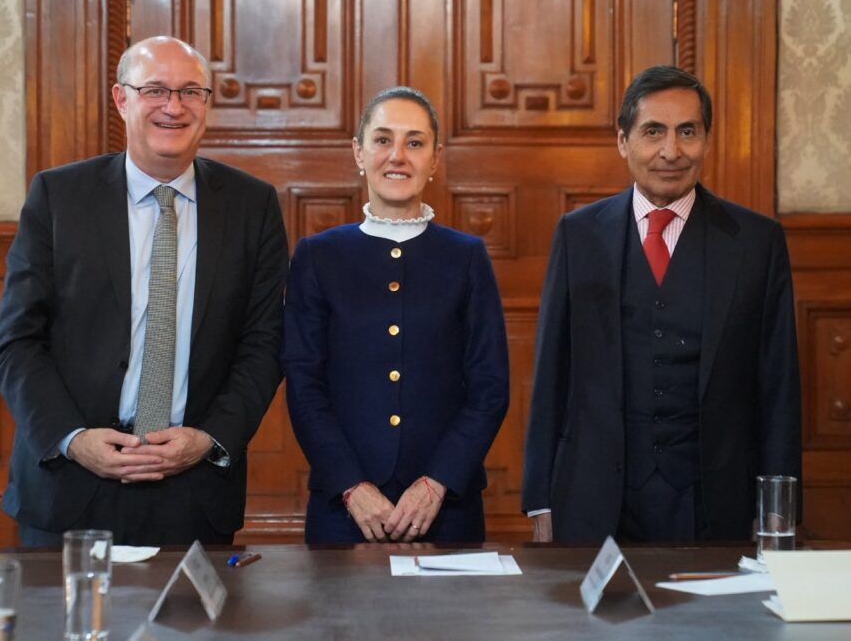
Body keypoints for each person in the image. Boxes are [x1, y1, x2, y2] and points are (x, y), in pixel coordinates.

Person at [0, 36, 289, 546]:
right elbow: (17, 341)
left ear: (206, 104)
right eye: (154, 90)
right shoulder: (58, 197)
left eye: (190, 91)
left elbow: (264, 344)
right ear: (121, 99)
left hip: (192, 490)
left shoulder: (252, 206)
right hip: (70, 486)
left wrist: (209, 439)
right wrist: (73, 440)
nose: (174, 107)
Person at [521, 65, 801, 543]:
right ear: (623, 141)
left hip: (716, 502)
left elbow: (779, 387)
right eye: (653, 131)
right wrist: (539, 499)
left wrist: (778, 509)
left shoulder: (758, 242)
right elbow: (551, 373)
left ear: (707, 140)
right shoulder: (577, 235)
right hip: (595, 501)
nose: (671, 151)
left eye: (687, 132)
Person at [282, 87, 509, 543]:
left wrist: (436, 483)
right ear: (359, 152)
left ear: (435, 158)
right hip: (343, 508)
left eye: (415, 142)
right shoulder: (318, 256)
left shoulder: (467, 257)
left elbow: (490, 387)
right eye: (383, 140)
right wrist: (351, 486)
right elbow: (304, 385)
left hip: (446, 508)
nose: (397, 156)